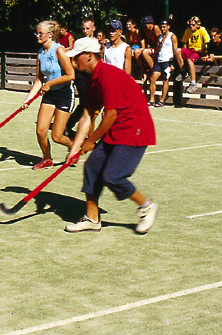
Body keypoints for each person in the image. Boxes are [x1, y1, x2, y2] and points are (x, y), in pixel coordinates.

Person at [63, 37, 159, 234]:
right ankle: (92, 218)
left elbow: (111, 114)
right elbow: (87, 115)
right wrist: (75, 148)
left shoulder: (107, 75)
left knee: (113, 176)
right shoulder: (92, 80)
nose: (73, 61)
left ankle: (147, 206)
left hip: (135, 129)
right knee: (92, 167)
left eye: (76, 56)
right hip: (116, 129)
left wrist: (90, 141)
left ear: (89, 56)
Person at [23, 21, 75, 170]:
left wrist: (50, 84)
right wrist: (28, 99)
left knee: (57, 136)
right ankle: (47, 159)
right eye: (37, 33)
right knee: (41, 131)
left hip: (64, 93)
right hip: (50, 94)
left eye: (41, 33)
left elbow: (71, 75)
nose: (37, 36)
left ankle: (74, 147)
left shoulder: (59, 50)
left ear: (50, 34)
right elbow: (39, 79)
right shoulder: (40, 53)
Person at [66, 18, 96, 135]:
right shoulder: (79, 42)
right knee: (85, 102)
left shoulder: (98, 42)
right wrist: (77, 69)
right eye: (83, 29)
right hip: (81, 75)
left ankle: (86, 132)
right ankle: (70, 125)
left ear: (93, 28)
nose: (85, 31)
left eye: (87, 28)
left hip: (93, 75)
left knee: (91, 105)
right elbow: (73, 59)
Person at [175, 16, 210, 94]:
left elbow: (207, 42)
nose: (191, 26)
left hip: (199, 51)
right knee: (177, 51)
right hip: (191, 49)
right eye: (190, 25)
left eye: (193, 25)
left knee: (190, 60)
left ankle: (193, 83)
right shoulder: (188, 30)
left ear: (198, 25)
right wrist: (184, 54)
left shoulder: (202, 30)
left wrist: (207, 54)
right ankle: (183, 70)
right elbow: (184, 42)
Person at [147, 20, 177, 106]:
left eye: (164, 27)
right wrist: (160, 43)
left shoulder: (172, 36)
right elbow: (157, 48)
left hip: (168, 60)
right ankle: (152, 99)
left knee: (165, 80)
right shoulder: (160, 36)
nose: (162, 28)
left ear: (168, 27)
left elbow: (175, 50)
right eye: (161, 27)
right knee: (152, 79)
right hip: (159, 60)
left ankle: (162, 100)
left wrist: (173, 64)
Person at [138, 16, 161, 80]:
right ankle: (145, 71)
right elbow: (149, 40)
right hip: (152, 47)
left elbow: (159, 40)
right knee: (138, 52)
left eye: (148, 23)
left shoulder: (155, 28)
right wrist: (148, 47)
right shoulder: (146, 29)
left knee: (145, 52)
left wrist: (157, 50)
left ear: (152, 23)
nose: (146, 25)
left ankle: (154, 70)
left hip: (158, 48)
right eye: (145, 23)